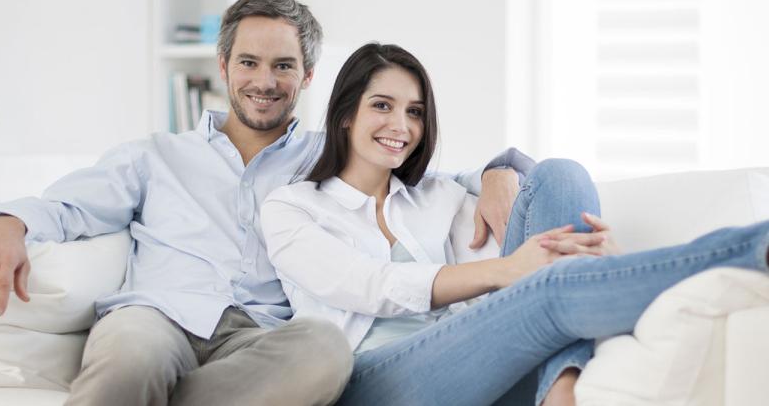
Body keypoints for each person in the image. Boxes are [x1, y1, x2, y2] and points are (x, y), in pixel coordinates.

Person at [0, 0, 533, 405]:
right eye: (250, 63)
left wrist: (498, 171)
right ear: (223, 67)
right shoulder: (155, 155)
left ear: (306, 76)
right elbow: (67, 207)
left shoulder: (330, 156)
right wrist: (8, 222)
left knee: (327, 352)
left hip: (266, 334)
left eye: (283, 65)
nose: (265, 80)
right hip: (160, 317)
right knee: (130, 357)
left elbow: (430, 174)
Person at [260, 42, 769, 406]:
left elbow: (538, 193)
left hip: (478, 361)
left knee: (561, 174)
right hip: (375, 380)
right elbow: (373, 285)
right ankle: (753, 246)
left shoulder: (439, 193)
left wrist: (500, 170)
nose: (401, 126)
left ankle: (559, 387)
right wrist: (507, 272)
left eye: (415, 111)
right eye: (382, 106)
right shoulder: (292, 208)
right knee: (542, 290)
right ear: (345, 113)